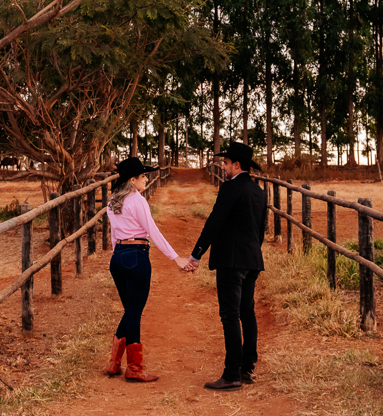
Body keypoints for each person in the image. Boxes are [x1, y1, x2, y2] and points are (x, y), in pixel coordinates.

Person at [183, 141, 267, 391]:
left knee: (230, 315)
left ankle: (232, 374)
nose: (223, 166)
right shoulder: (258, 191)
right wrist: (252, 253)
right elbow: (260, 228)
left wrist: (196, 254)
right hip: (252, 259)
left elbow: (214, 222)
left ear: (237, 165)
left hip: (231, 261)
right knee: (247, 313)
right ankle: (247, 368)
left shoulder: (230, 188)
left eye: (226, 162)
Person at [104, 156, 189, 382]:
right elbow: (152, 231)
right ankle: (134, 368)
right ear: (132, 180)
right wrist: (175, 258)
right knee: (134, 312)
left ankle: (114, 363)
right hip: (135, 256)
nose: (146, 180)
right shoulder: (137, 200)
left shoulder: (113, 201)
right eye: (143, 176)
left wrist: (117, 255)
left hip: (118, 257)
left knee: (130, 310)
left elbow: (114, 235)